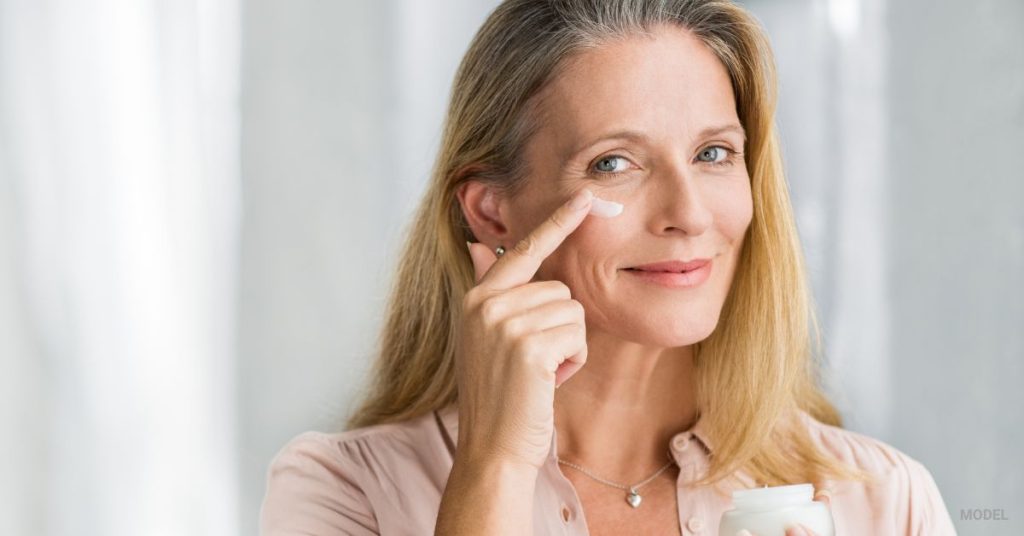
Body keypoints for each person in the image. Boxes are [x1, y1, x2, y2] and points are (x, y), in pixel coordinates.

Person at [259, 0, 957, 534]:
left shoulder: (882, 500)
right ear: (492, 212)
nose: (687, 213)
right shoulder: (345, 492)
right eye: (614, 163)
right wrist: (495, 469)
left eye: (713, 153)